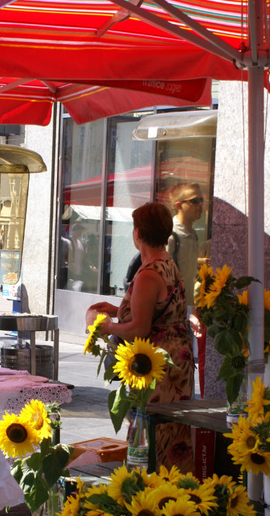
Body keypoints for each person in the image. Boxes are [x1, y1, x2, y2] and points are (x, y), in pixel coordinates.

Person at [87, 201, 194, 473]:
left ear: (138, 234)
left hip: (156, 367)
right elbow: (158, 311)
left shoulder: (148, 274)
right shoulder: (167, 264)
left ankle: (148, 495)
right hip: (175, 361)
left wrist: (107, 328)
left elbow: (140, 329)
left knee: (151, 435)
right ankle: (173, 492)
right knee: (172, 433)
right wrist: (117, 309)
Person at [168, 182, 207, 340]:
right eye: (195, 200)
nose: (200, 205)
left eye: (202, 200)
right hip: (172, 314)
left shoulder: (193, 234)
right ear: (179, 205)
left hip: (188, 310)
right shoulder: (171, 235)